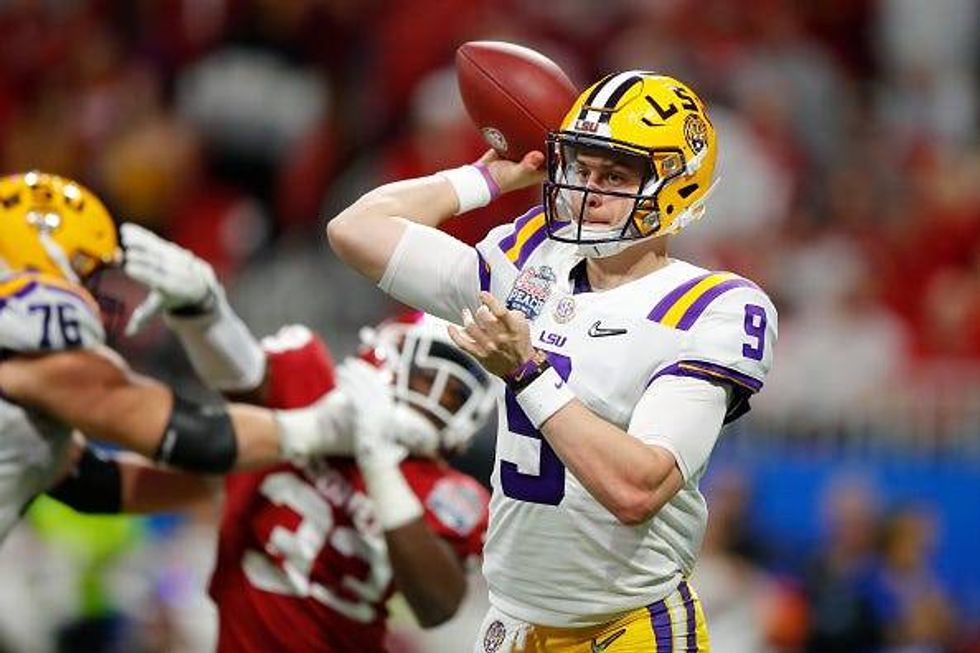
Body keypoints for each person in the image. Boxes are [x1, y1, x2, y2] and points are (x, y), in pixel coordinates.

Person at [328, 71, 778, 651]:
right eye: (581, 169)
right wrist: (484, 178)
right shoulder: (531, 254)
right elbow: (354, 230)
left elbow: (637, 488)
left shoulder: (710, 308)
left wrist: (528, 373)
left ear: (677, 186)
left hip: (627, 628)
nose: (588, 192)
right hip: (509, 623)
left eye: (614, 176)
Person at [63, 223, 495, 652]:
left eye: (454, 393)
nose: (431, 398)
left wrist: (379, 462)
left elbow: (437, 606)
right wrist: (203, 310)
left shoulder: (452, 495)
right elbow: (244, 378)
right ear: (387, 354)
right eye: (425, 376)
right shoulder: (311, 381)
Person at [0, 171, 382, 545]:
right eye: (89, 274)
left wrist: (240, 475)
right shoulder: (39, 352)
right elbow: (196, 438)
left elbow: (93, 484)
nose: (100, 297)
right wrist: (319, 429)